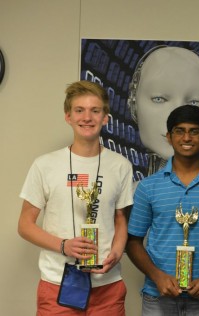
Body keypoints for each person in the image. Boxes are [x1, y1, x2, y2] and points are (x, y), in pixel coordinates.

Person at [18, 80, 134, 315]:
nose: (87, 117)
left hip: (107, 287)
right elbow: (24, 225)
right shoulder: (45, 165)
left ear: (105, 117)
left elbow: (121, 218)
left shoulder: (121, 166)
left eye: (95, 110)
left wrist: (117, 250)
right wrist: (64, 246)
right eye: (79, 110)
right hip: (58, 284)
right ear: (68, 116)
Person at [126, 104, 199, 316]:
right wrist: (157, 276)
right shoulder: (148, 187)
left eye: (194, 131)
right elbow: (132, 242)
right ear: (169, 137)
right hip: (158, 298)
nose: (186, 138)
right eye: (180, 131)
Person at [128, 46, 199, 175]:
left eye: (194, 102)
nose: (178, 116)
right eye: (159, 99)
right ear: (133, 104)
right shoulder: (133, 191)